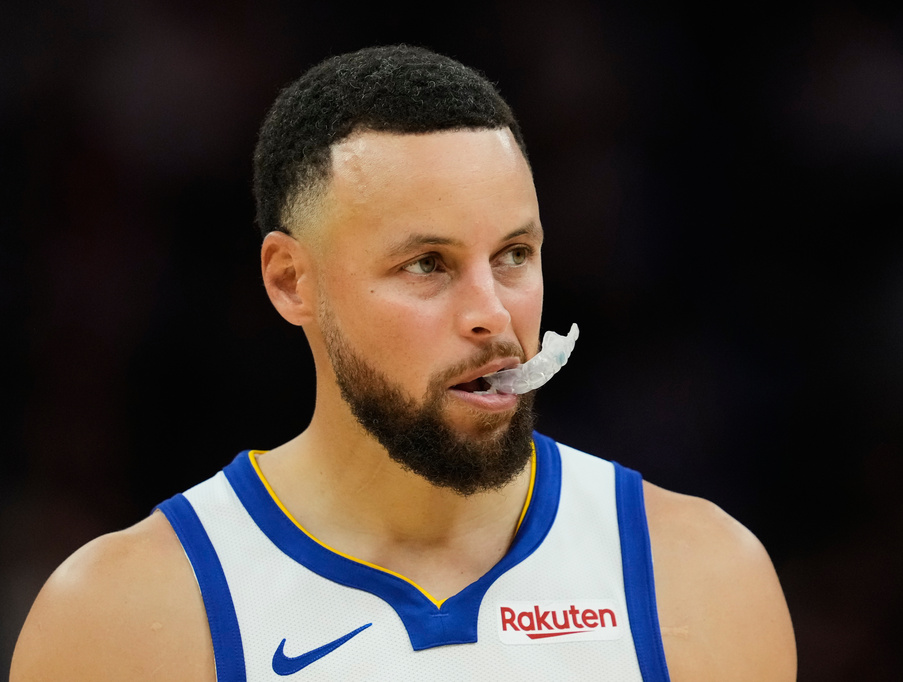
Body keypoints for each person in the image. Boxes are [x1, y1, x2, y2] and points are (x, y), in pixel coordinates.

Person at [11, 45, 796, 680]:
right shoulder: (125, 617)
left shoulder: (696, 576)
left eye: (514, 255)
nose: (493, 313)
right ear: (291, 281)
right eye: (427, 264)